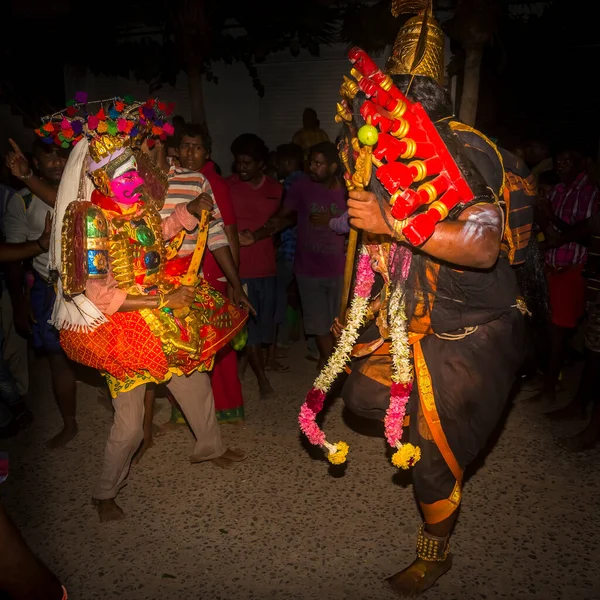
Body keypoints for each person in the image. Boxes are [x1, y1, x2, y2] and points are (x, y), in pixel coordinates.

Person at [297, 2, 537, 595]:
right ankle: (442, 442)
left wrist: (391, 220)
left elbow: (481, 245)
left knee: (432, 454)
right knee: (361, 396)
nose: (383, 109)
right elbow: (372, 240)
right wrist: (355, 315)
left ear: (422, 98)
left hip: (475, 329)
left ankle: (436, 553)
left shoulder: (460, 151)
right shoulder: (386, 150)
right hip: (416, 319)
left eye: (399, 96)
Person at [38, 96, 249, 522]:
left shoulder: (141, 210)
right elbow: (100, 296)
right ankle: (104, 492)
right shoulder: (91, 222)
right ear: (99, 180)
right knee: (131, 425)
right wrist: (161, 300)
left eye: (133, 173)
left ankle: (210, 447)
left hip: (162, 315)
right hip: (126, 328)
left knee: (193, 382)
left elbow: (162, 240)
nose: (134, 182)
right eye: (123, 177)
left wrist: (187, 212)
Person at [240, 142, 348, 371]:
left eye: (319, 163)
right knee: (317, 323)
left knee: (340, 324)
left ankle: (328, 363)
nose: (312, 167)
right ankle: (333, 367)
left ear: (333, 167)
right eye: (311, 162)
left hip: (340, 270)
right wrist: (258, 235)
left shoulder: (348, 190)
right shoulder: (301, 186)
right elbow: (283, 217)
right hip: (308, 269)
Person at [4, 139, 78, 449]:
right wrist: (20, 302)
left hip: (89, 286)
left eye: (63, 156)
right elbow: (13, 259)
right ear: (36, 161)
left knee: (104, 353)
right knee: (57, 359)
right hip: (49, 289)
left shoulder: (81, 189)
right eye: (49, 156)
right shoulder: (21, 201)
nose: (58, 162)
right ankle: (70, 423)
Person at [532, 149, 599, 406]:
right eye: (559, 161)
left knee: (558, 331)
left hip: (571, 269)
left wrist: (549, 216)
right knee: (547, 329)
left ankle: (550, 387)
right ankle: (548, 379)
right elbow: (551, 233)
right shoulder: (558, 191)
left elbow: (584, 234)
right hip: (551, 267)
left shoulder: (589, 192)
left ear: (581, 162)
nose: (562, 166)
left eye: (568, 160)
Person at [229, 134, 282, 398]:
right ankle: (262, 381)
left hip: (268, 268)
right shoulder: (229, 187)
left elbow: (283, 221)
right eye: (238, 162)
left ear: (261, 164)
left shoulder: (276, 189)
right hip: (240, 271)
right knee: (248, 327)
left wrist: (258, 235)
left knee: (264, 325)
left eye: (248, 163)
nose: (242, 168)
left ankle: (246, 365)